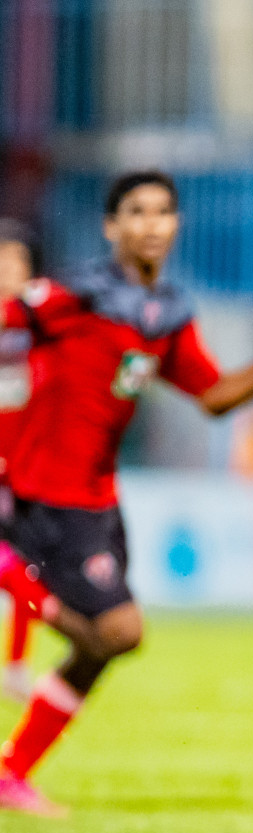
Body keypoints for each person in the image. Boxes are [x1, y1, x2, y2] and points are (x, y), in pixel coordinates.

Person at [0, 170, 253, 816]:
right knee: (118, 630)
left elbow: (213, 396)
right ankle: (11, 570)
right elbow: (13, 312)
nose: (151, 224)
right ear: (111, 227)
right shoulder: (76, 296)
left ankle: (11, 774)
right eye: (136, 212)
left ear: (177, 225)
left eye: (163, 212)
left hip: (99, 501)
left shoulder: (164, 316)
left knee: (105, 643)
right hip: (48, 497)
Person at [0, 219, 44, 702]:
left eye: (15, 264)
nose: (7, 273)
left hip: (27, 470)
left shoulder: (41, 330)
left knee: (27, 571)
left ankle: (15, 663)